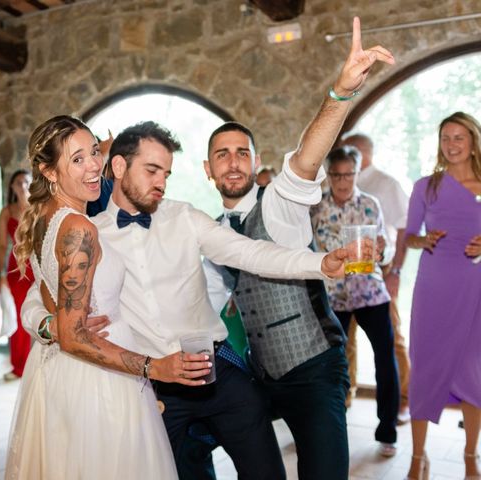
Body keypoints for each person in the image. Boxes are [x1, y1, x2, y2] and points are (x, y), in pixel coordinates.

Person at [23, 115, 351, 479]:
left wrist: (320, 262)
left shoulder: (185, 217)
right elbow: (41, 296)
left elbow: (251, 253)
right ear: (118, 166)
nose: (161, 183)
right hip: (155, 385)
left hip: (218, 372)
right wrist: (48, 325)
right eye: (152, 170)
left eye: (166, 173)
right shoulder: (90, 232)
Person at [197, 20, 394, 478]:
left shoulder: (281, 202)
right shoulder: (209, 232)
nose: (233, 161)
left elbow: (307, 157)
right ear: (208, 169)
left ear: (255, 160)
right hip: (257, 378)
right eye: (222, 154)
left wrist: (340, 94)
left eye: (242, 152)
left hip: (313, 369)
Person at [5, 115, 209, 479]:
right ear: (49, 172)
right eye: (77, 159)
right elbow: (74, 336)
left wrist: (48, 325)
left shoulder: (44, 219)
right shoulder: (79, 229)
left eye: (95, 152)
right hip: (98, 379)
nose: (94, 165)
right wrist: (154, 366)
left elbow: (45, 300)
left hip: (57, 374)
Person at [403, 112, 481, 480]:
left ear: (473, 141)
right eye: (445, 138)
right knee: (425, 369)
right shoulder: (426, 187)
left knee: (473, 373)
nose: (451, 144)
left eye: (459, 137)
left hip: (475, 289)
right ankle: (418, 458)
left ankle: (470, 456)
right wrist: (423, 240)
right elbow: (409, 236)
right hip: (434, 288)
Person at [311, 145, 400, 458]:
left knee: (385, 359)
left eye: (348, 174)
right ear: (329, 175)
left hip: (370, 293)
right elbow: (309, 252)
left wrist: (382, 252)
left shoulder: (370, 204)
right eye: (336, 175)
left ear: (357, 172)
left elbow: (386, 248)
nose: (342, 181)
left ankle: (387, 430)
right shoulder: (316, 207)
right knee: (329, 365)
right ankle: (327, 429)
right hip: (333, 294)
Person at [341, 133, 411, 422]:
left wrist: (395, 270)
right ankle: (345, 397)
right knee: (345, 342)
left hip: (379, 274)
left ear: (362, 152)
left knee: (391, 338)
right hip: (343, 275)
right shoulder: (337, 183)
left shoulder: (386, 183)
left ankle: (403, 399)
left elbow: (404, 230)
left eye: (349, 150)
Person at [0, 169, 34, 380]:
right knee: (17, 317)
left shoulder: (37, 209)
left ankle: (34, 365)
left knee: (37, 312)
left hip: (35, 266)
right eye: (18, 182)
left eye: (26, 182)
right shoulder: (6, 211)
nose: (22, 186)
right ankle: (18, 366)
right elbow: (3, 245)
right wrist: (1, 273)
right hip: (15, 268)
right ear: (12, 186)